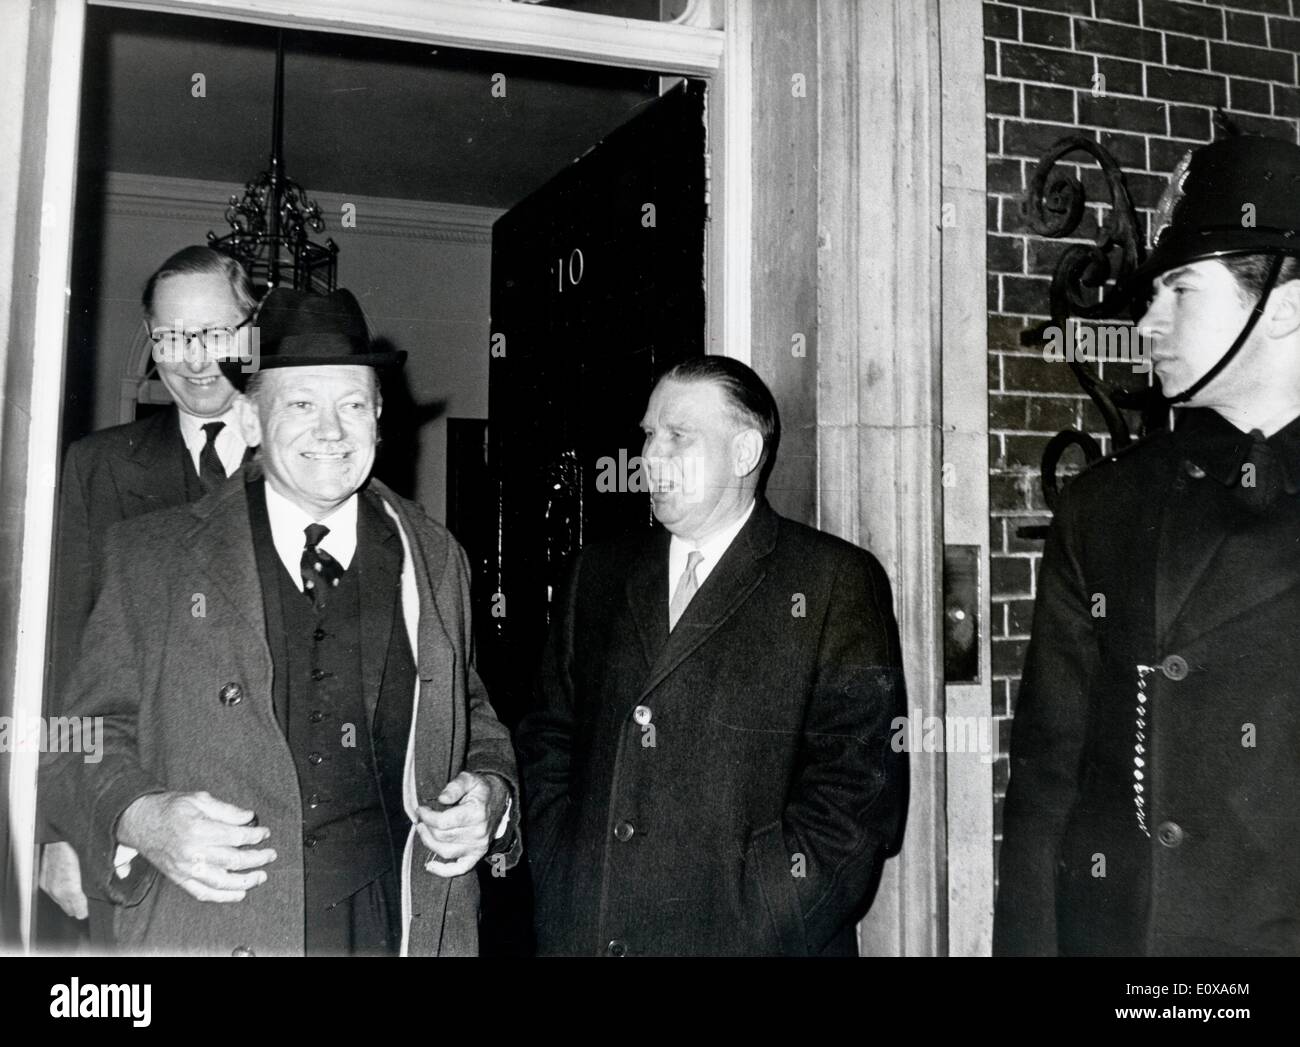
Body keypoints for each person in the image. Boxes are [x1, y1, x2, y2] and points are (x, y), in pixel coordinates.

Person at [40, 287, 519, 955]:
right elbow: (79, 737)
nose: (331, 431)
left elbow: (474, 717)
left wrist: (491, 793)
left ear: (380, 419)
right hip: (215, 927)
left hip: (396, 925)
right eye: (300, 404)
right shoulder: (151, 557)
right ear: (251, 420)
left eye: (353, 405)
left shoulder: (436, 556)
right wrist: (142, 817)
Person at [995, 135, 1300, 956]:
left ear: (1285, 307)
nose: (1147, 322)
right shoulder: (1105, 505)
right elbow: (1045, 794)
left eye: (1179, 290)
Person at [516, 356, 907, 956]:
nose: (650, 456)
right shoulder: (596, 573)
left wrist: (765, 916)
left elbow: (857, 792)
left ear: (745, 452)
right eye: (649, 434)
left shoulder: (832, 580)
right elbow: (548, 739)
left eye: (679, 436)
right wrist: (564, 876)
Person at [40, 245, 256, 933]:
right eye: (170, 337)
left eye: (215, 335)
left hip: (266, 831)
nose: (193, 360)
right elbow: (57, 653)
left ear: (254, 334)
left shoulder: (305, 455)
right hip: (132, 827)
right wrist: (58, 829)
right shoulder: (97, 466)